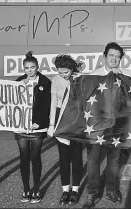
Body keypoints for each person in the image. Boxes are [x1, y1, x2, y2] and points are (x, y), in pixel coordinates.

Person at [83, 42, 131, 209]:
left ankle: (111, 189)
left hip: (117, 127)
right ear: (104, 56)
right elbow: (87, 101)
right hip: (97, 126)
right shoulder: (94, 75)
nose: (114, 59)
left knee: (114, 160)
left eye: (117, 57)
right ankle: (91, 194)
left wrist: (121, 79)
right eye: (111, 55)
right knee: (93, 160)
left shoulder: (127, 74)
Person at [14, 51, 51, 203]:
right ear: (24, 68)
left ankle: (36, 190)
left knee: (35, 157)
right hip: (21, 128)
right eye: (27, 67)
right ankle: (25, 189)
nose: (29, 70)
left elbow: (47, 106)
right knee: (24, 158)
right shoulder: (18, 82)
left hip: (38, 128)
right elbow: (11, 104)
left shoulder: (45, 82)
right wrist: (17, 87)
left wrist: (39, 122)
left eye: (32, 67)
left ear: (37, 67)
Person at [47, 54, 83, 205]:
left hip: (77, 125)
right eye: (60, 72)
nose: (62, 75)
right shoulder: (55, 80)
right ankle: (65, 191)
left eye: (65, 72)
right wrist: (51, 124)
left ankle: (75, 190)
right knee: (64, 159)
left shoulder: (80, 79)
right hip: (61, 124)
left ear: (71, 69)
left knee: (76, 158)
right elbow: (53, 103)